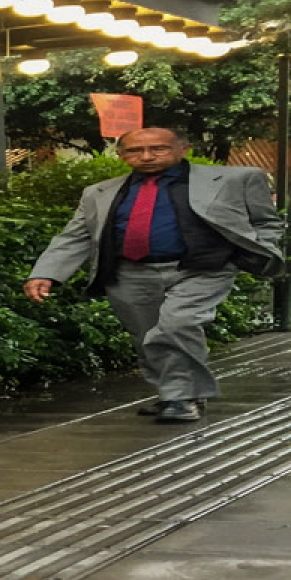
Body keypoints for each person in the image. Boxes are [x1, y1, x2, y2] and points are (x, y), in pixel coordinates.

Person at [23, 127, 285, 423]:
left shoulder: (235, 179)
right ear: (121, 155)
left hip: (203, 268)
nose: (146, 156)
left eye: (158, 148)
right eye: (135, 150)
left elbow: (265, 221)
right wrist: (46, 273)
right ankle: (175, 392)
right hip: (129, 272)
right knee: (146, 337)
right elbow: (75, 236)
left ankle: (181, 399)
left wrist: (258, 249)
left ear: (183, 149)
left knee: (176, 325)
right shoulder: (99, 192)